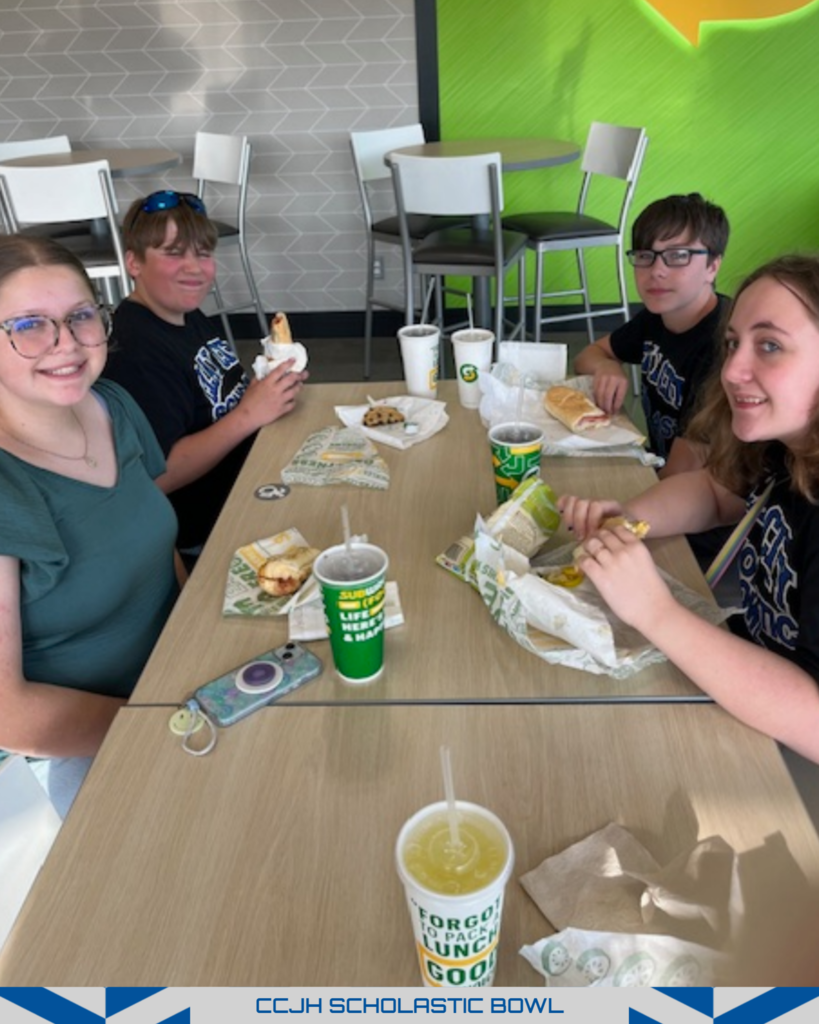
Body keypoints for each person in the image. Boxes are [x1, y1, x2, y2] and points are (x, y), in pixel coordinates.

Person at [559, 253, 819, 763]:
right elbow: (717, 492)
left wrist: (656, 612)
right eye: (732, 344)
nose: (733, 370)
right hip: (744, 667)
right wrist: (629, 518)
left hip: (781, 748)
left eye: (769, 346)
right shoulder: (787, 441)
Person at [0, 235, 181, 815]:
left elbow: (155, 546)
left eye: (81, 316)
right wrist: (166, 721)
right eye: (29, 325)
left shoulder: (112, 404)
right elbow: (11, 714)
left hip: (186, 677)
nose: (66, 343)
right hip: (92, 741)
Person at [104, 190, 307, 554]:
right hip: (212, 530)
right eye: (173, 253)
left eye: (203, 254)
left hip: (252, 479)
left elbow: (220, 401)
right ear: (133, 263)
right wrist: (249, 414)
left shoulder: (185, 314)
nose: (194, 268)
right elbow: (157, 475)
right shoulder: (135, 352)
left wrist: (271, 389)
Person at [574, 193, 730, 477]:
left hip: (700, 499)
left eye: (678, 256)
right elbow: (588, 355)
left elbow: (681, 474)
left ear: (712, 266)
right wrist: (607, 365)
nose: (656, 271)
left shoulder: (721, 348)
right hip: (659, 467)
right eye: (646, 256)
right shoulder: (658, 316)